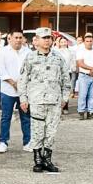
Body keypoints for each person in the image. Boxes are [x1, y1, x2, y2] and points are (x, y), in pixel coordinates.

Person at [19, 28, 71, 173]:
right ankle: (37, 160)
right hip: (36, 100)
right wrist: (23, 98)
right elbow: (23, 80)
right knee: (37, 131)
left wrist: (65, 98)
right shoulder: (30, 57)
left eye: (49, 37)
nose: (47, 40)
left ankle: (47, 159)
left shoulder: (58, 57)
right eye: (44, 37)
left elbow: (66, 80)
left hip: (54, 101)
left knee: (51, 132)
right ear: (37, 40)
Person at [0, 28, 31, 153]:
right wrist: (13, 83)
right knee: (6, 117)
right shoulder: (3, 52)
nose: (18, 40)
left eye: (20, 37)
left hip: (24, 91)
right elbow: (1, 71)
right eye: (15, 37)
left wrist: (22, 85)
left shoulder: (28, 52)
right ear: (9, 38)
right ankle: (3, 142)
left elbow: (30, 70)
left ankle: (27, 142)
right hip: (8, 90)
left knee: (26, 117)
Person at [76, 33, 93, 120]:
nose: (89, 42)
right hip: (84, 76)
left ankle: (90, 112)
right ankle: (81, 112)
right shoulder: (80, 51)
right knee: (83, 94)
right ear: (84, 42)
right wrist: (92, 68)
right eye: (87, 41)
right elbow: (80, 63)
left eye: (90, 41)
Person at [55, 37, 75, 114]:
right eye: (62, 42)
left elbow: (73, 61)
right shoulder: (56, 51)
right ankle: (58, 108)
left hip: (68, 72)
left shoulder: (70, 51)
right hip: (58, 73)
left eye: (65, 42)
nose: (63, 43)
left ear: (67, 43)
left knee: (66, 90)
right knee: (58, 90)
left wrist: (73, 68)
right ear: (59, 43)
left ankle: (65, 107)